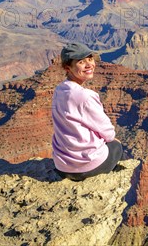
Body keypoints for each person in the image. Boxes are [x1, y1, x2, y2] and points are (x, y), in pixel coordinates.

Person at [51, 42, 123, 181]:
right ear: (68, 68)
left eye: (90, 59)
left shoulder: (59, 90)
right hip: (86, 167)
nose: (89, 65)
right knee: (116, 146)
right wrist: (110, 140)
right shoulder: (85, 96)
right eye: (81, 62)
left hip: (62, 166)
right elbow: (108, 133)